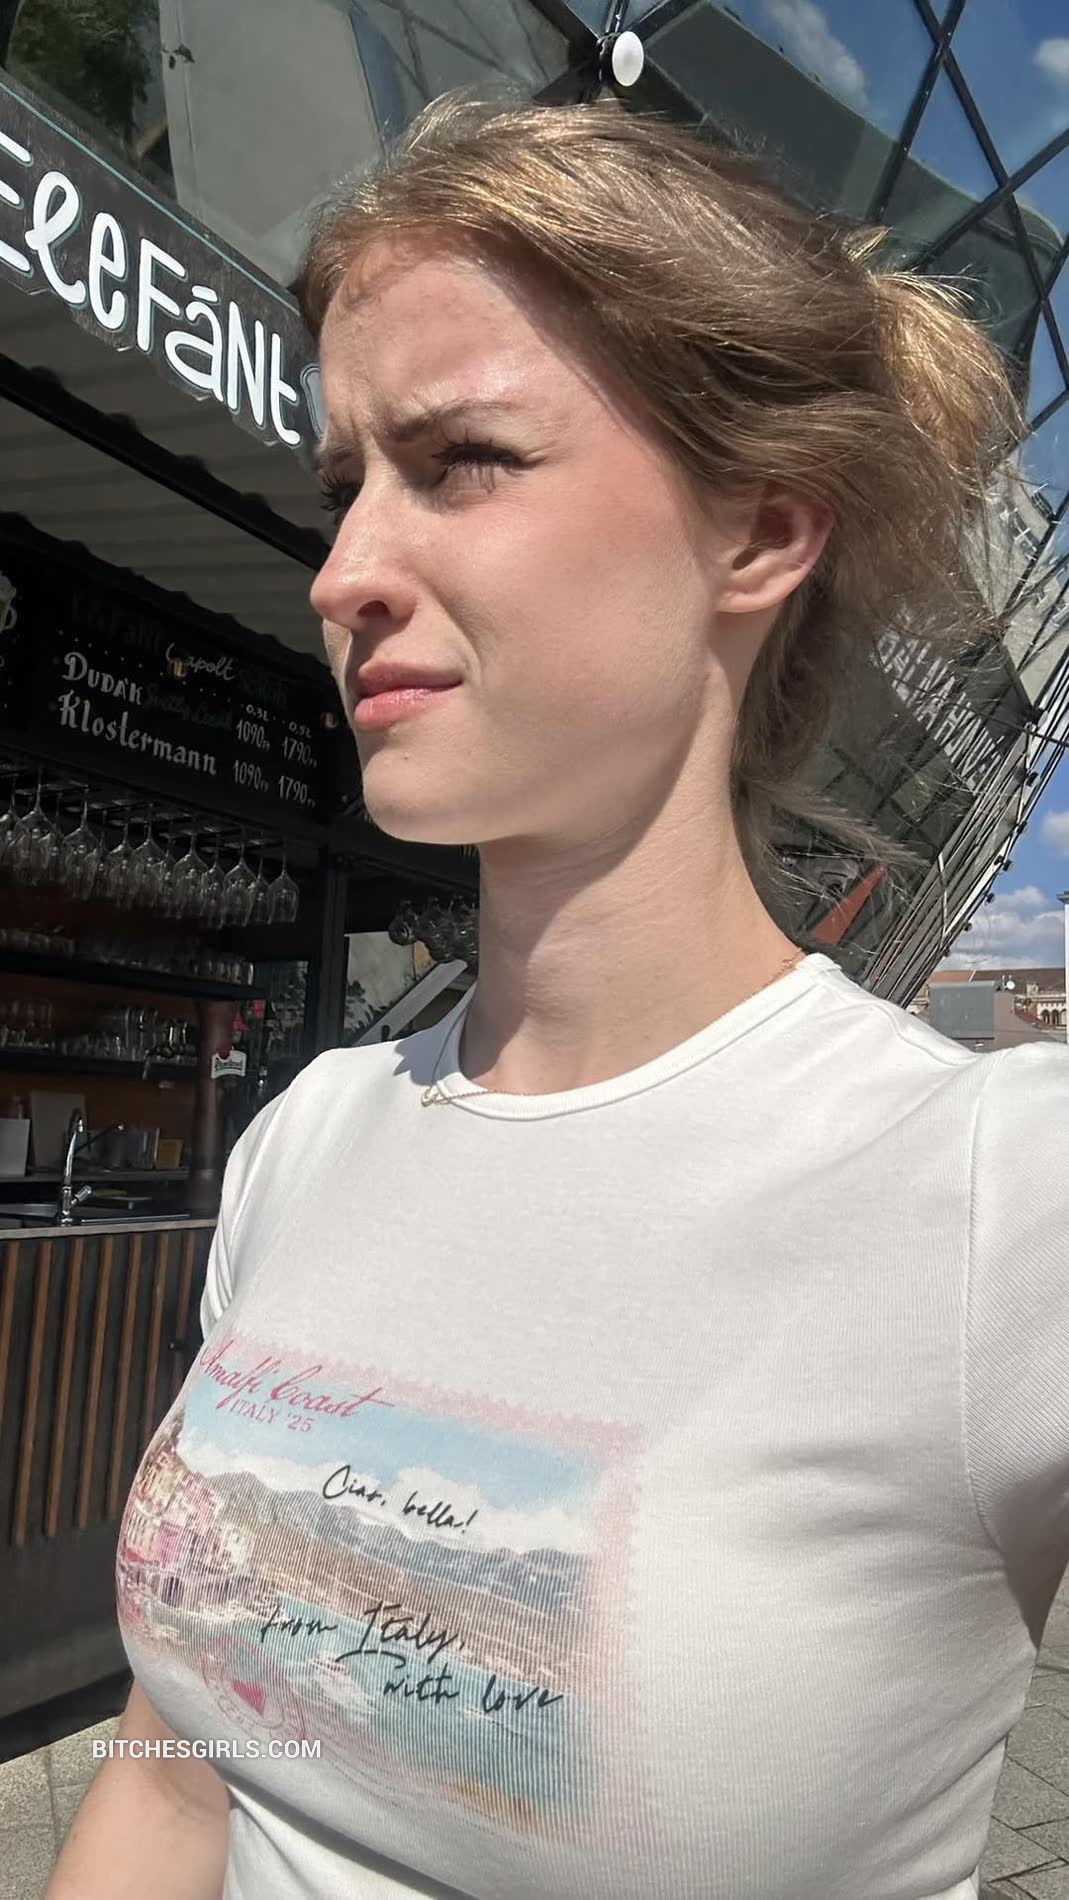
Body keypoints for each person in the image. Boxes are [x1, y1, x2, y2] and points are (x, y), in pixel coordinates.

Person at [49, 93, 1068, 1900]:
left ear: (757, 536)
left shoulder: (991, 1197)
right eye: (342, 486)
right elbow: (178, 1763)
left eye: (461, 461)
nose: (342, 573)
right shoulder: (312, 1138)